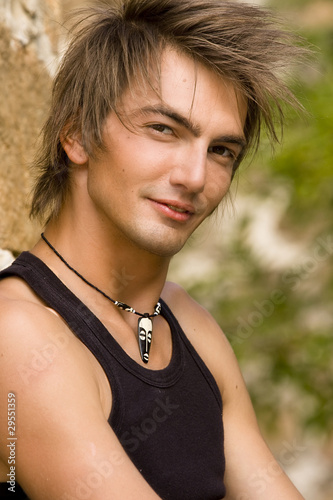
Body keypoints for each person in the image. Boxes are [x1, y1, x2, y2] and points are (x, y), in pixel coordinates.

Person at [0, 0, 307, 498]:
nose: (194, 176)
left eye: (221, 150)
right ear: (76, 134)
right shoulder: (20, 334)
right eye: (163, 129)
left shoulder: (189, 323)